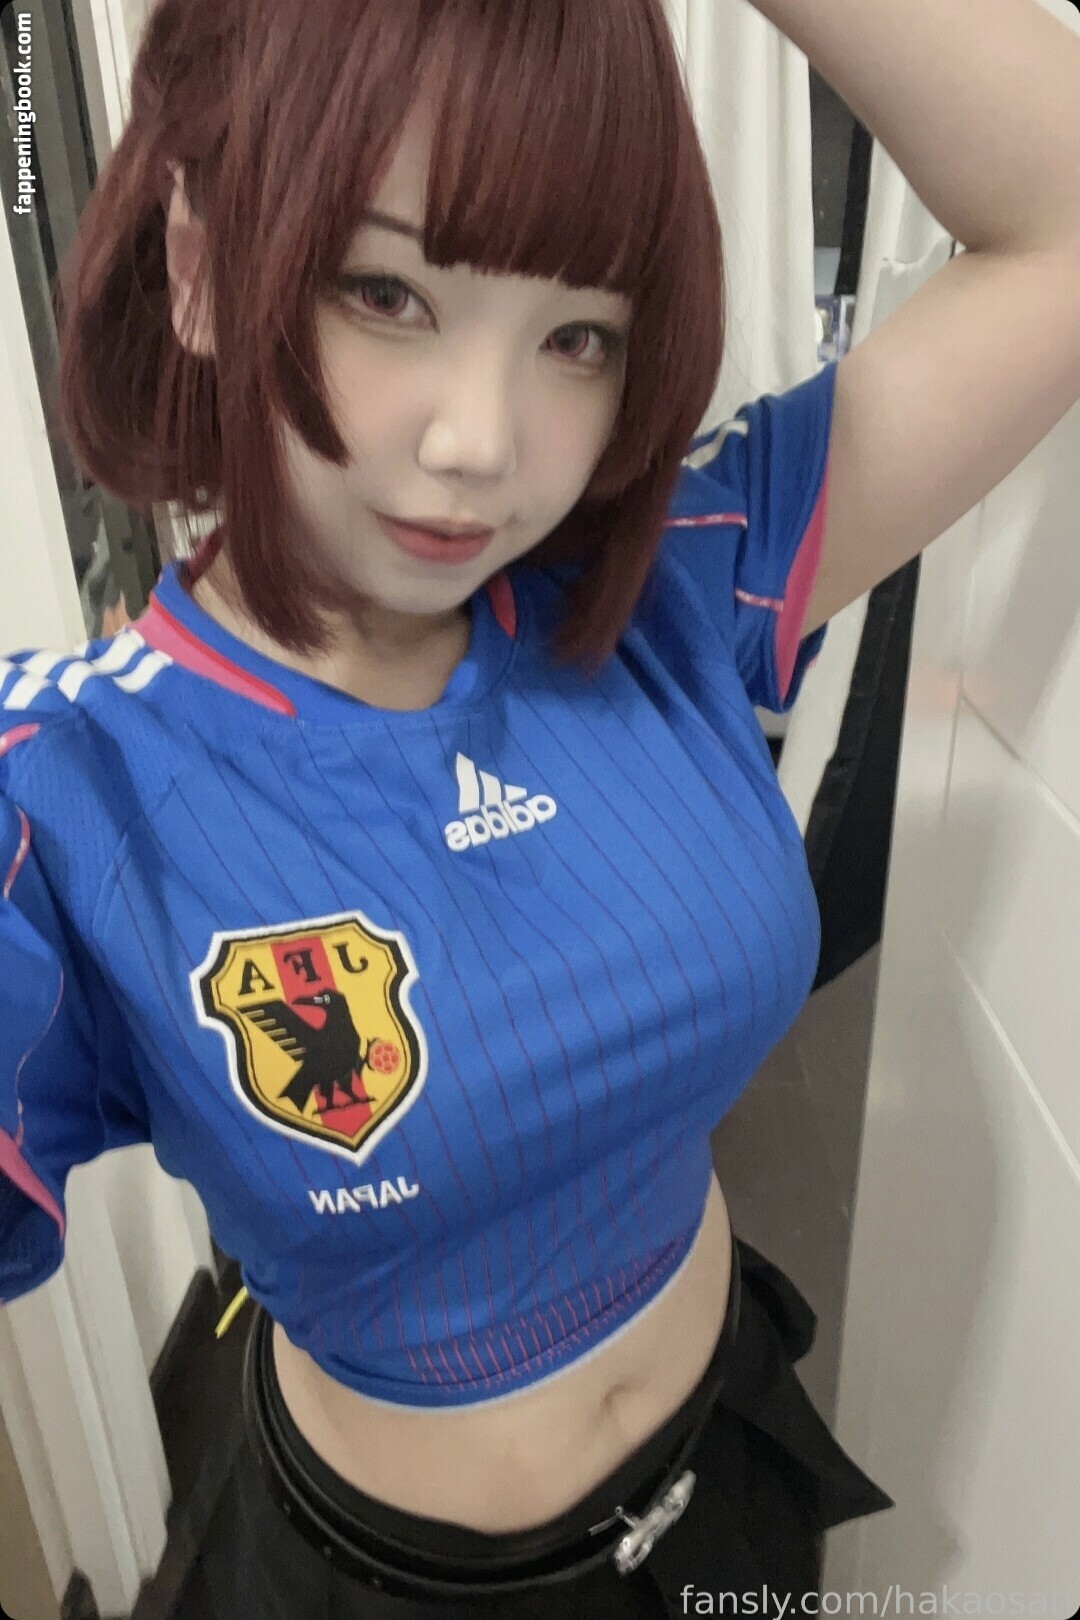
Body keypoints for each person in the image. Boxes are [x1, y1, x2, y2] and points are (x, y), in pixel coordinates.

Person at [3, 0, 1080, 1614]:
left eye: (579, 335)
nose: (483, 444)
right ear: (204, 267)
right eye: (386, 293)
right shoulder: (61, 791)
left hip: (728, 1481)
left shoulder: (675, 586)